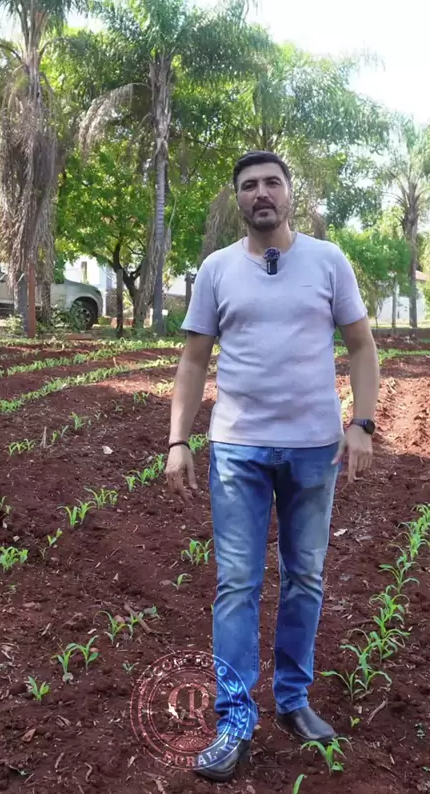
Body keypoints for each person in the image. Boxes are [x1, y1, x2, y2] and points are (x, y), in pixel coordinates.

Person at [165, 150, 380, 782]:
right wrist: (178, 440)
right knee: (237, 584)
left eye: (272, 183)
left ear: (289, 193)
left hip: (314, 449)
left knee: (304, 578)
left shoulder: (329, 261)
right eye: (249, 185)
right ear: (238, 198)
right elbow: (193, 361)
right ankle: (234, 721)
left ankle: (292, 699)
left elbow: (362, 346)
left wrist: (363, 424)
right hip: (238, 449)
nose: (261, 193)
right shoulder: (216, 269)